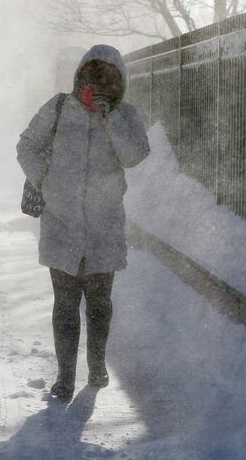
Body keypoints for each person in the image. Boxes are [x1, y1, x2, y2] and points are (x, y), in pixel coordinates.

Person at [16, 45, 151, 400]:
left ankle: (96, 366)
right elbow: (27, 145)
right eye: (92, 77)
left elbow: (135, 155)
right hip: (61, 223)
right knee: (64, 303)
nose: (97, 87)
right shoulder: (59, 108)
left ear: (119, 84)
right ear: (80, 77)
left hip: (104, 225)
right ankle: (64, 376)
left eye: (108, 81)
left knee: (100, 303)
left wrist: (111, 118)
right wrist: (45, 179)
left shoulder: (126, 116)